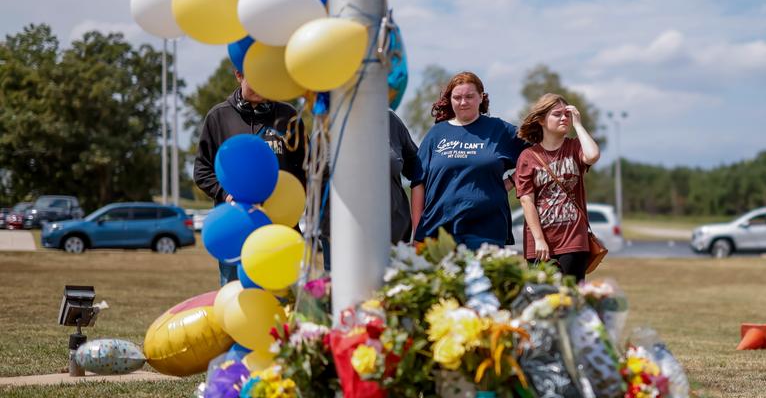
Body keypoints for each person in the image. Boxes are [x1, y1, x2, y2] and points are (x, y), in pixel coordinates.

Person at [194, 67, 306, 286]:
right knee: (236, 294)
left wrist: (293, 199)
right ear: (239, 75)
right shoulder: (218, 117)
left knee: (287, 296)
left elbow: (305, 166)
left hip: (280, 228)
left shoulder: (288, 116)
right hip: (236, 227)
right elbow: (202, 170)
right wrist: (225, 195)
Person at [410, 71, 528, 250]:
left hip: (487, 231)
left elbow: (536, 154)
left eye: (469, 96)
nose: (463, 102)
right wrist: (417, 232)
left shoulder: (499, 130)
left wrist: (512, 181)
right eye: (457, 97)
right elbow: (418, 184)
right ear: (450, 100)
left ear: (481, 97)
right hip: (438, 233)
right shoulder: (436, 134)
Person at [318, 109, 420, 270]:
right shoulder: (326, 123)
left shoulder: (389, 120)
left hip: (394, 241)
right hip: (342, 245)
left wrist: (420, 227)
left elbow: (418, 171)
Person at [514, 93, 601, 281]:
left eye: (566, 114)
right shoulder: (528, 157)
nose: (564, 118)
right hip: (540, 242)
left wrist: (577, 124)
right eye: (557, 114)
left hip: (573, 240)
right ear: (542, 120)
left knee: (571, 300)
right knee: (542, 300)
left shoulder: (575, 147)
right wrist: (538, 239)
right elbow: (527, 201)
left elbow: (593, 155)